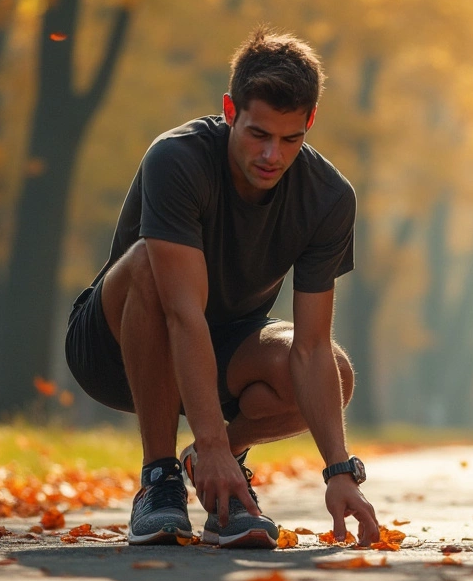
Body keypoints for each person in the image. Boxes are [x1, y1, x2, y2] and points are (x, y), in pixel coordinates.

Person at [65, 27, 378, 549]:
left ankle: (220, 470)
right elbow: (182, 315)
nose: (272, 156)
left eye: (290, 139)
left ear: (310, 123)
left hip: (225, 345)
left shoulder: (328, 198)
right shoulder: (178, 158)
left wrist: (339, 470)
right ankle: (161, 479)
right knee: (147, 262)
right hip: (116, 347)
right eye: (258, 133)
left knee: (337, 375)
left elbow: (310, 347)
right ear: (230, 110)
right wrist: (206, 436)